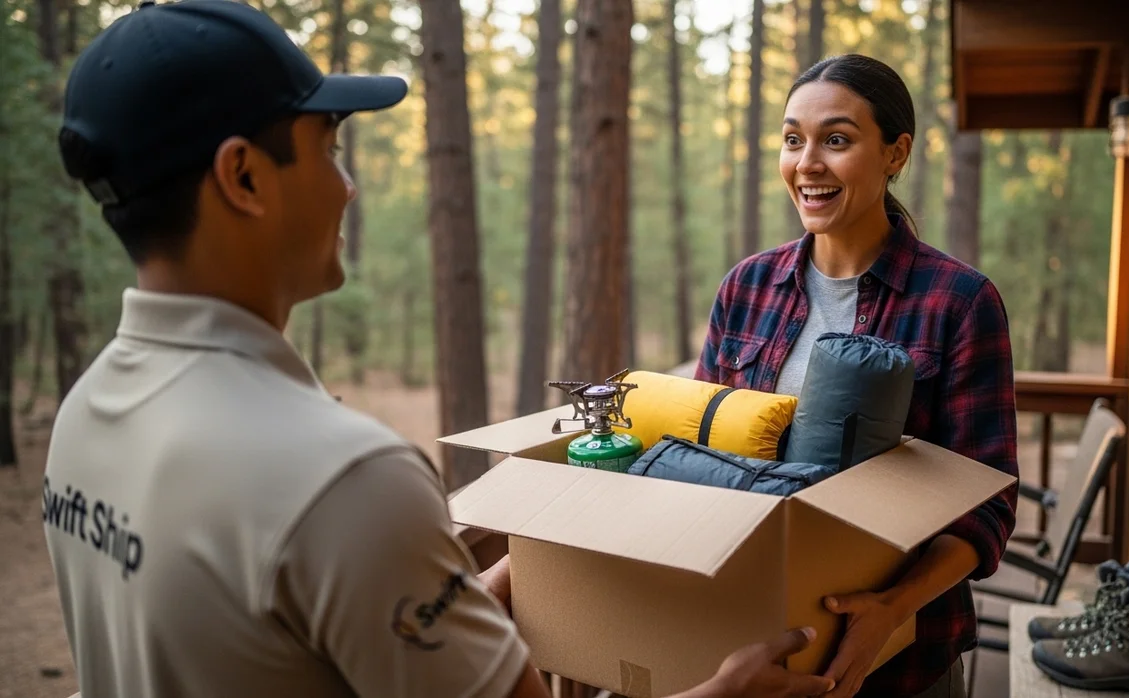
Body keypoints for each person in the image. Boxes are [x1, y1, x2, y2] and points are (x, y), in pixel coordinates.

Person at [41, 2, 840, 697]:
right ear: (243, 177)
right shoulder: (339, 478)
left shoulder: (87, 417)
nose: (348, 184)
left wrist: (468, 593)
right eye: (326, 147)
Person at [694, 53, 1019, 698]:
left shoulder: (958, 300)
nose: (807, 164)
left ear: (896, 154)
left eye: (836, 140)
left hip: (901, 658)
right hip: (753, 643)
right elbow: (700, 446)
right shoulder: (747, 287)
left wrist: (893, 608)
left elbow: (986, 505)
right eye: (793, 140)